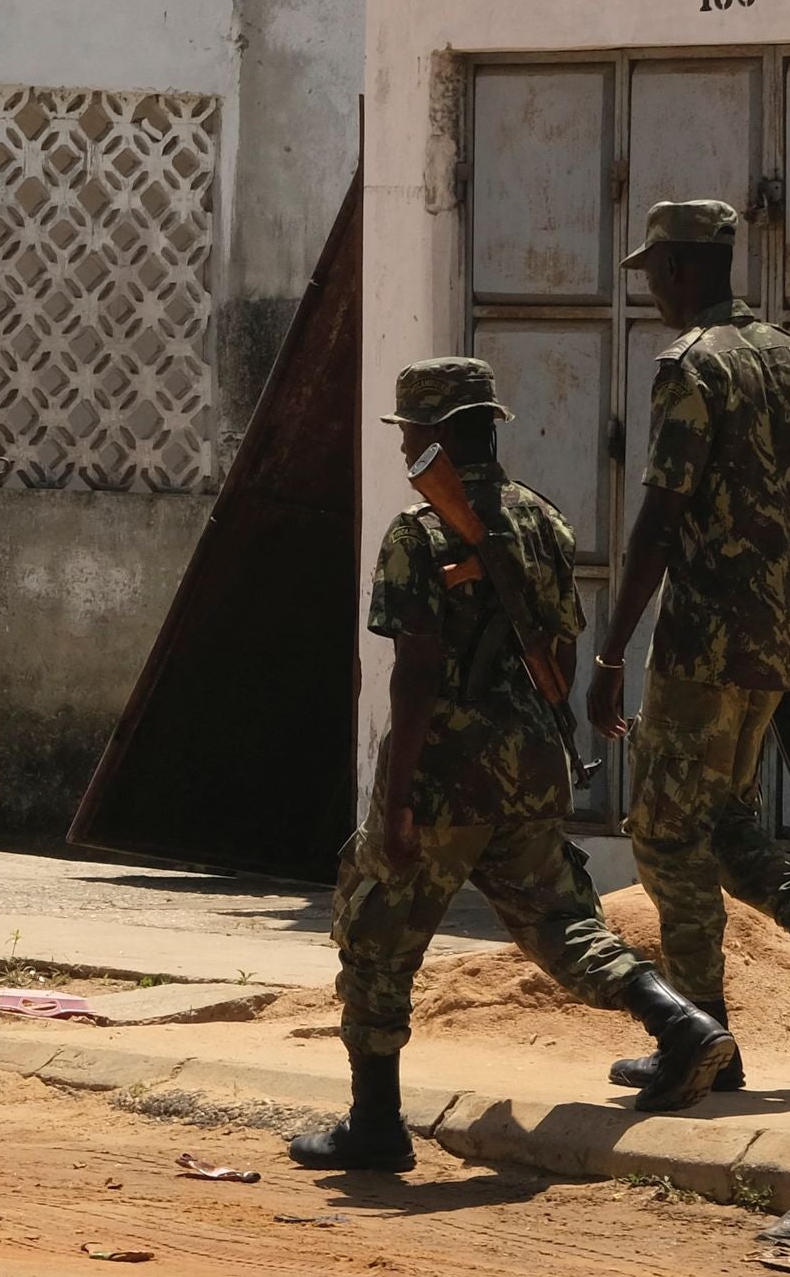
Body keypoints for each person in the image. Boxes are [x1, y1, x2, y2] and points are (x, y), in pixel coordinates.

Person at [292, 359, 734, 1172]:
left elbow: (416, 673)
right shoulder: (542, 521)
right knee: (562, 924)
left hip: (446, 773)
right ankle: (682, 1023)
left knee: (376, 933)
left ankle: (376, 1125)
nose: (405, 447)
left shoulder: (416, 534)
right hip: (531, 763)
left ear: (438, 434)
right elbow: (560, 651)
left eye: (411, 432)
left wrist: (394, 803)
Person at [587, 200, 790, 1092]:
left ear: (682, 270)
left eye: (653, 270)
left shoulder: (692, 367)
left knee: (659, 833)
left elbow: (659, 519)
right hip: (772, 648)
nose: (650, 287)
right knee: (719, 824)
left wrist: (610, 655)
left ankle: (699, 1037)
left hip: (702, 647)